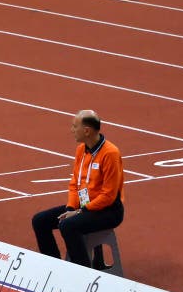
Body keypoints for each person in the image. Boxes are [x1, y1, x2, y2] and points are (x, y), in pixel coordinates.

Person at [32, 110, 125, 267]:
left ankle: (83, 272)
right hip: (84, 206)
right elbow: (75, 183)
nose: (71, 130)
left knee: (68, 225)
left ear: (87, 131)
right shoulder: (81, 150)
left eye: (75, 126)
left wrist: (81, 211)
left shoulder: (110, 153)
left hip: (108, 211)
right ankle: (53, 267)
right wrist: (71, 207)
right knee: (40, 220)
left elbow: (109, 195)